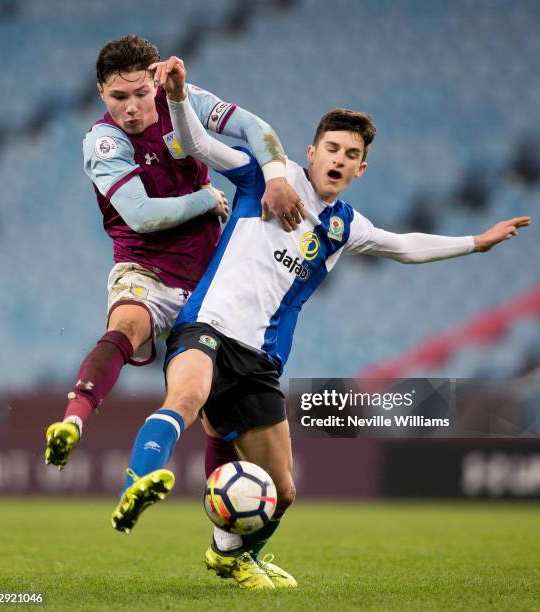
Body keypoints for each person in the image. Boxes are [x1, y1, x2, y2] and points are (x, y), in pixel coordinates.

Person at [110, 57, 531, 589]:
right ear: (312, 153)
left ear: (361, 169)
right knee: (185, 399)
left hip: (260, 361)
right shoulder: (267, 176)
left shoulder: (344, 226)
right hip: (207, 326)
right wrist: (174, 96)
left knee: (282, 490)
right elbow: (199, 145)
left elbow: (405, 246)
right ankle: (139, 480)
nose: (339, 158)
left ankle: (232, 555)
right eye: (332, 148)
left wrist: (477, 242)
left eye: (351, 155)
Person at [44, 36, 305, 469]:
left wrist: (276, 177)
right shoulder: (104, 142)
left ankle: (221, 522)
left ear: (155, 81)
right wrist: (208, 199)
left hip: (207, 275)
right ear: (100, 92)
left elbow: (255, 129)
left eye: (140, 94)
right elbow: (142, 216)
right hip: (146, 266)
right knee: (128, 324)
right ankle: (73, 420)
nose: (131, 107)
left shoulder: (184, 100)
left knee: (208, 397)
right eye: (118, 97)